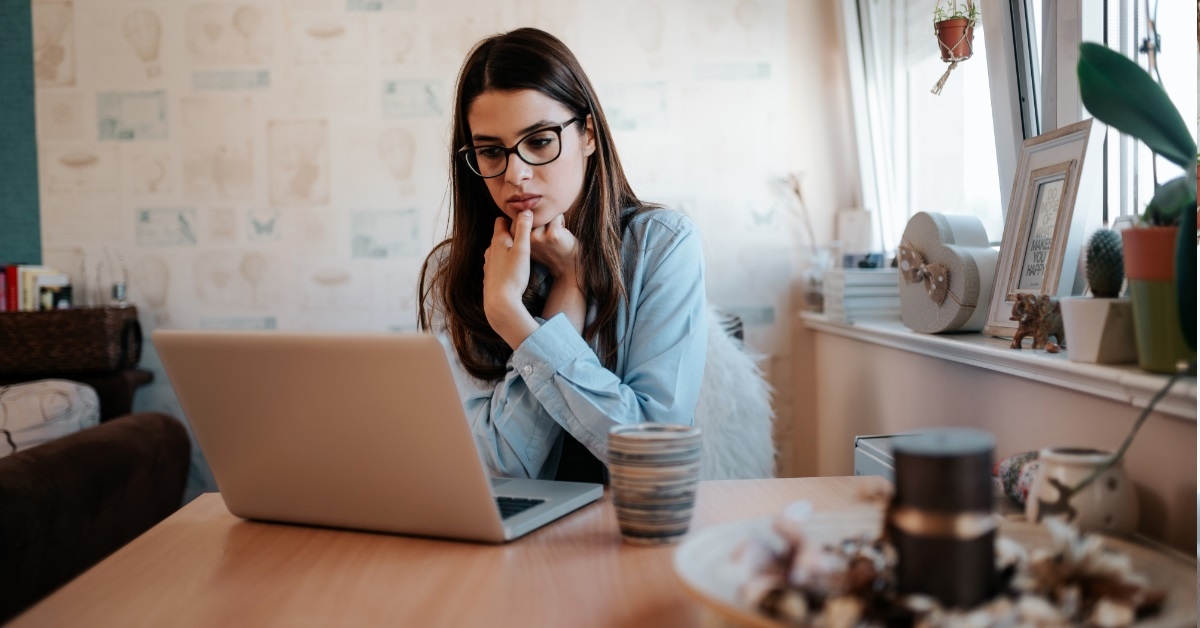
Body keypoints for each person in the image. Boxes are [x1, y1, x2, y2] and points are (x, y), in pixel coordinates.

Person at [418, 28, 707, 483]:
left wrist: (516, 322)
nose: (516, 173)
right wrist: (565, 299)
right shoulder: (451, 272)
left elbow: (655, 453)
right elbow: (498, 466)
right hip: (510, 541)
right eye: (491, 151)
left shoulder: (661, 246)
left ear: (588, 133)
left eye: (538, 141)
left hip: (630, 531)